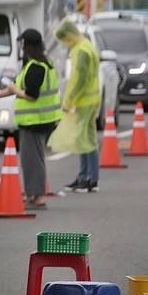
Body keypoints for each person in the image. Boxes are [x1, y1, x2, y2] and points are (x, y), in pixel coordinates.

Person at [0, 29, 60, 208]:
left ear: (28, 45)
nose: (21, 47)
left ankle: (38, 196)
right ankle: (33, 194)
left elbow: (31, 95)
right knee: (32, 159)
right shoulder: (40, 64)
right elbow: (18, 87)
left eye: (22, 43)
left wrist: (12, 89)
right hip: (41, 119)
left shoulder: (36, 67)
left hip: (36, 120)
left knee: (33, 160)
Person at [51, 17, 101, 192]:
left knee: (85, 141)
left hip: (83, 101)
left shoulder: (80, 51)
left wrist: (69, 100)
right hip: (92, 99)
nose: (66, 44)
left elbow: (79, 79)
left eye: (65, 40)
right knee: (88, 139)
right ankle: (87, 177)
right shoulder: (88, 46)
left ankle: (88, 178)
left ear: (70, 35)